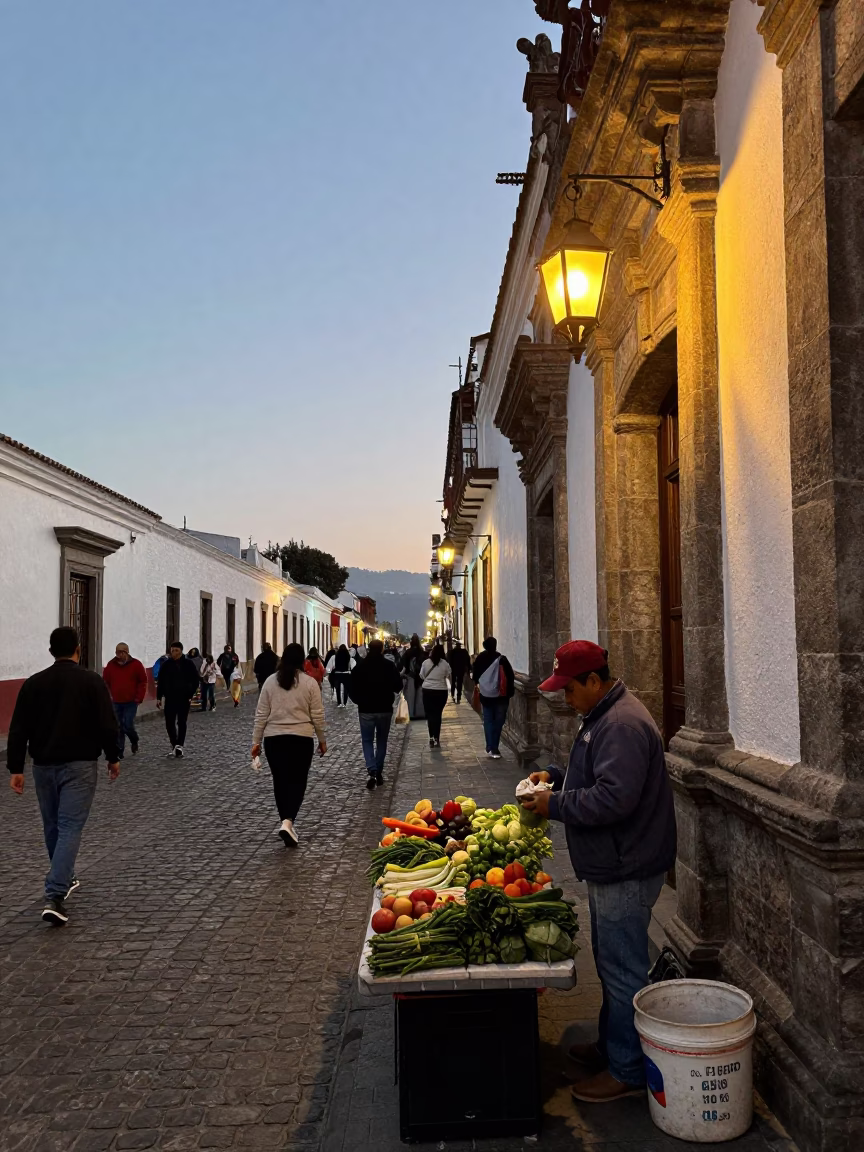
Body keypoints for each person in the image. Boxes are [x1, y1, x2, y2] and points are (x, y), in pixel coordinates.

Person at [520, 640, 677, 1105]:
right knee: (611, 960)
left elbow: (614, 797)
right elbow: (593, 774)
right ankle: (613, 1045)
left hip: (626, 864)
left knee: (623, 967)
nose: (565, 700)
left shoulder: (622, 724)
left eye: (568, 691)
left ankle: (627, 1070)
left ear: (593, 681)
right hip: (615, 861)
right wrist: (557, 775)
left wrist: (555, 804)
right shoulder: (601, 715)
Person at [7, 627, 121, 925]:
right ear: (78, 649)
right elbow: (107, 723)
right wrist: (113, 756)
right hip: (81, 764)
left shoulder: (34, 684)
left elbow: (19, 727)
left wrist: (16, 768)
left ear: (50, 651)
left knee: (53, 825)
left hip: (43, 765)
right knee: (70, 826)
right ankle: (56, 894)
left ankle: (65, 877)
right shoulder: (91, 681)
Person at [251, 642, 327, 846]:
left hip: (274, 740)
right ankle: (288, 820)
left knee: (280, 781)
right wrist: (322, 740)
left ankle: (285, 819)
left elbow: (261, 715)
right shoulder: (309, 683)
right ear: (302, 660)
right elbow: (317, 715)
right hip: (301, 740)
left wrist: (256, 742)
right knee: (298, 781)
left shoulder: (269, 682)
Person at [349, 638, 404, 788]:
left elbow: (351, 688)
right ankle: (378, 770)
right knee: (381, 741)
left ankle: (372, 769)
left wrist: (358, 700)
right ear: (381, 650)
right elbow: (398, 686)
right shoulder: (389, 666)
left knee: (367, 741)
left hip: (366, 710)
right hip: (384, 709)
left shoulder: (360, 667)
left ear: (368, 649)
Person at [471, 636, 515, 759]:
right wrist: (509, 692)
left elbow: (475, 676)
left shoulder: (480, 658)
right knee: (499, 722)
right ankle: (494, 746)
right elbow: (510, 676)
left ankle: (490, 746)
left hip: (486, 696)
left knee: (488, 721)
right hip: (501, 696)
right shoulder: (502, 659)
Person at [103, 642, 148, 757]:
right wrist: (108, 696)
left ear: (127, 652)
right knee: (118, 726)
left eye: (122, 652)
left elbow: (143, 681)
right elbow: (105, 681)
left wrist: (139, 697)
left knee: (127, 724)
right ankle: (120, 750)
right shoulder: (111, 665)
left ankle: (134, 740)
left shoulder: (136, 665)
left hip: (131, 701)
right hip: (116, 701)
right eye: (118, 652)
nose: (120, 655)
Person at [156, 641, 199, 758]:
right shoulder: (166, 665)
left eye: (176, 651)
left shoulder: (188, 664)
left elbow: (195, 680)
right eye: (172, 650)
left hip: (184, 698)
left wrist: (190, 694)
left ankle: (180, 745)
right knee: (169, 723)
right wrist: (159, 697)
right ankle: (174, 744)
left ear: (181, 651)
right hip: (170, 698)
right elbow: (161, 681)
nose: (174, 653)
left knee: (181, 722)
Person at [419, 644, 451, 748]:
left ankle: (431, 737)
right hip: (441, 691)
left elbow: (422, 675)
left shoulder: (426, 662)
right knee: (438, 714)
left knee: (429, 715)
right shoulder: (445, 664)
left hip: (427, 690)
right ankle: (437, 737)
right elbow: (448, 674)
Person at [399, 635, 426, 720]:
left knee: (410, 697)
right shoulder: (422, 652)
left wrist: (402, 674)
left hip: (410, 676)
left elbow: (403, 665)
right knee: (420, 696)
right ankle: (420, 713)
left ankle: (411, 713)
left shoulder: (407, 653)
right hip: (421, 677)